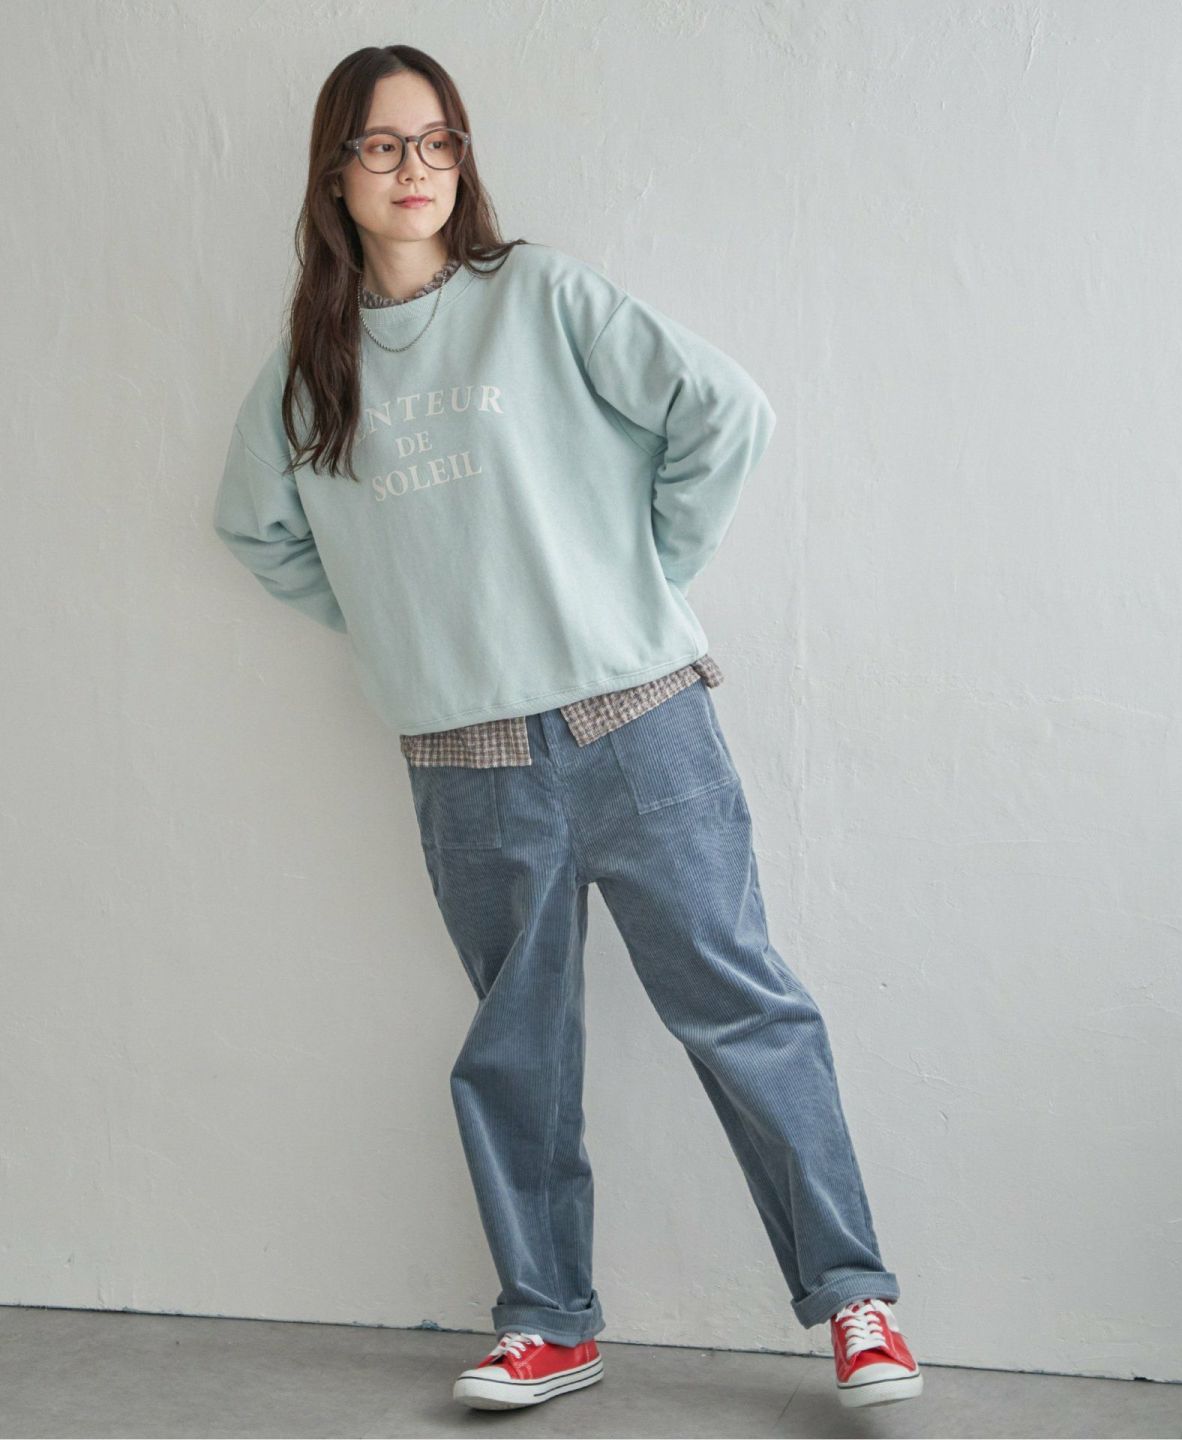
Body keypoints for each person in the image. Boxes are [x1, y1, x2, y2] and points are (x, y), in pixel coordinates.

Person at [212, 42, 922, 1415]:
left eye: (437, 140)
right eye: (381, 144)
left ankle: (856, 1300)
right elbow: (256, 529)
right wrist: (399, 629)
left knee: (741, 1006)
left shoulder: (537, 295)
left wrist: (647, 570)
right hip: (465, 762)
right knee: (517, 1045)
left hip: (637, 722)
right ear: (335, 172)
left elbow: (724, 412)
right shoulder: (310, 371)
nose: (414, 168)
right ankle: (549, 1321)